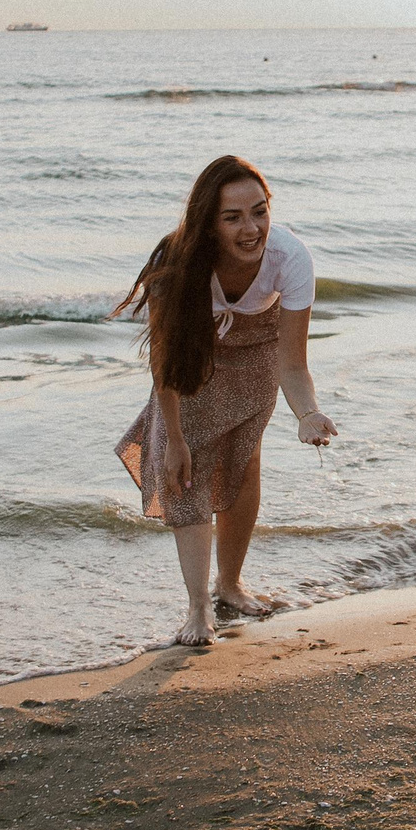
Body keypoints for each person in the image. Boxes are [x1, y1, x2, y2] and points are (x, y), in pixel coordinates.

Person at [115, 155, 337, 646]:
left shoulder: (290, 258)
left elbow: (293, 363)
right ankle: (198, 609)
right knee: (187, 470)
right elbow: (165, 364)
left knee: (243, 462)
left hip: (259, 351)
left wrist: (308, 413)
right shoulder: (176, 262)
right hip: (196, 353)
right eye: (232, 217)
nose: (251, 228)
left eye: (259, 212)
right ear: (208, 222)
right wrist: (173, 438)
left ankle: (230, 585)